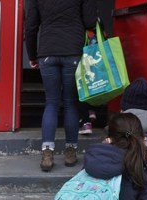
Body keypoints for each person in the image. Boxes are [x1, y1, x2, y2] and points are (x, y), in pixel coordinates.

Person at [24, 0, 98, 171]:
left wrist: (32, 54)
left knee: (51, 103)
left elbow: (31, 25)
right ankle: (70, 151)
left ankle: (47, 152)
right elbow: (89, 21)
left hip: (47, 50)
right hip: (73, 49)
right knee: (71, 102)